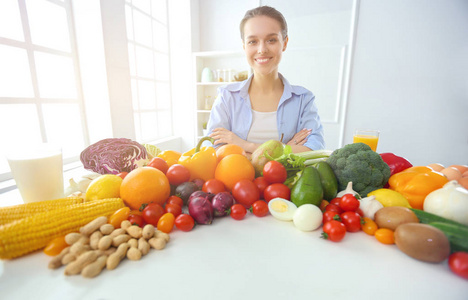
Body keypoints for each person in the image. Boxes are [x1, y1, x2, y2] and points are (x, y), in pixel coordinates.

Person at [207, 5, 325, 155]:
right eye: (252, 41)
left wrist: (245, 145)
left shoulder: (303, 99)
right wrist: (285, 148)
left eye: (271, 40)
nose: (262, 49)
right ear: (244, 46)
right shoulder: (226, 97)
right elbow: (214, 150)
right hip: (238, 179)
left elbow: (314, 148)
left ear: (285, 43)